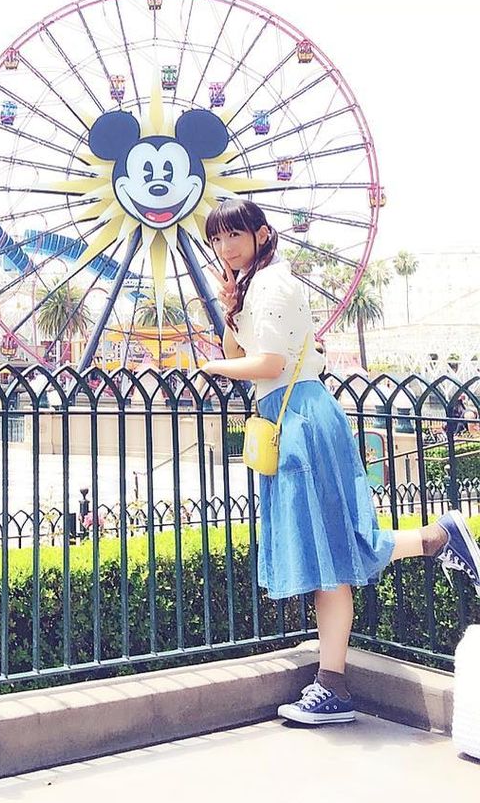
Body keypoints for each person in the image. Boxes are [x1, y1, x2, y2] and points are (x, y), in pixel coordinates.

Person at [199, 198, 480, 727]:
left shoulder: (274, 283)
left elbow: (269, 363)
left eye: (234, 234)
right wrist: (229, 306)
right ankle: (438, 538)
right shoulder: (256, 285)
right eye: (216, 239)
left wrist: (209, 367)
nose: (224, 247)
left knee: (327, 551)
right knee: (334, 547)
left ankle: (333, 685)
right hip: (291, 414)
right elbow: (242, 350)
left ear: (262, 234)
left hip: (299, 417)